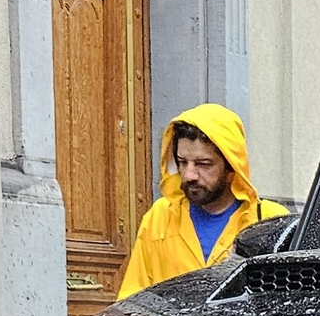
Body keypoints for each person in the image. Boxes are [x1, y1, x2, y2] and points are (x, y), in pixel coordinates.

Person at [115, 104, 290, 299]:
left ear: (232, 167)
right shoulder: (160, 217)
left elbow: (286, 302)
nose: (189, 175)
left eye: (203, 164)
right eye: (182, 162)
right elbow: (131, 302)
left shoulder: (269, 220)